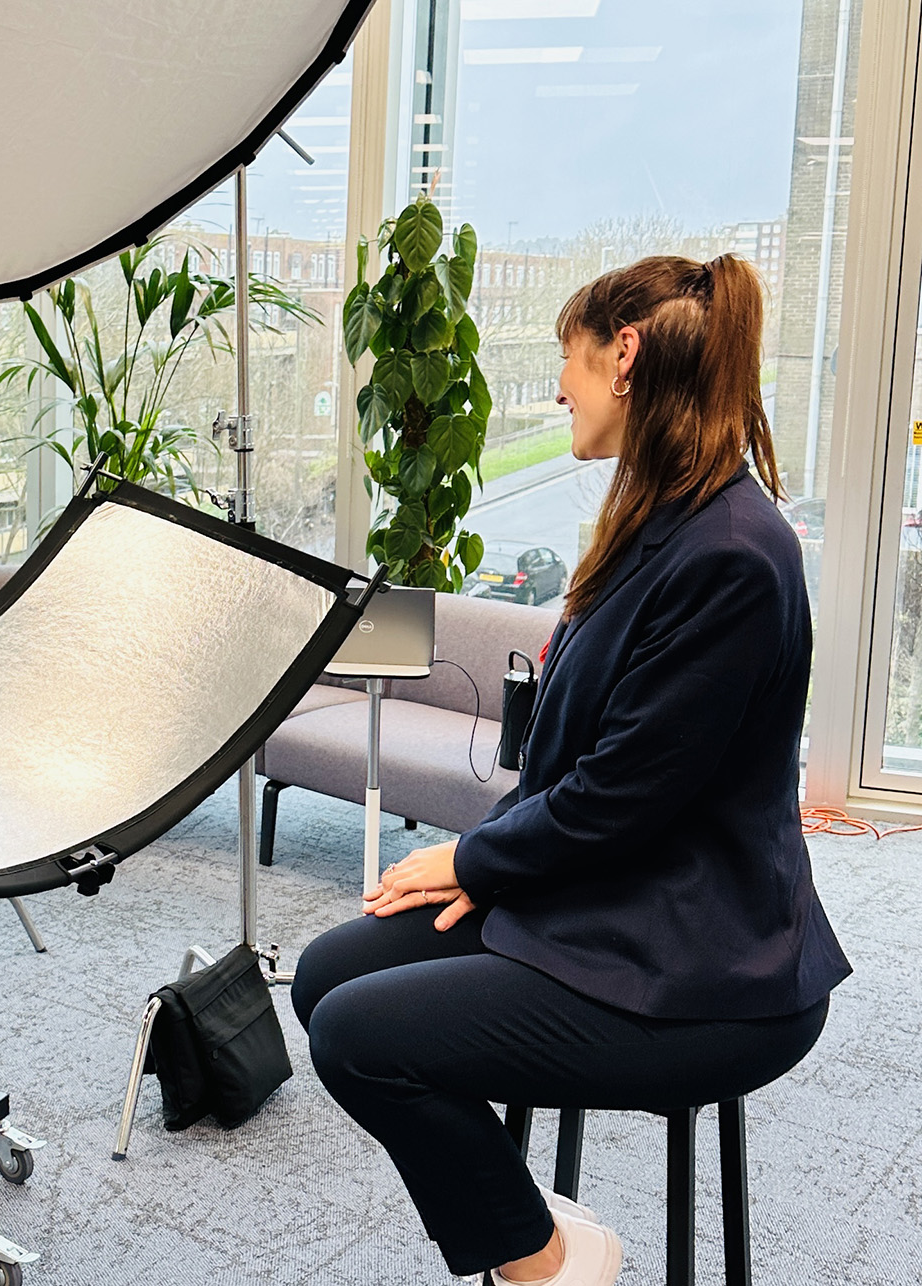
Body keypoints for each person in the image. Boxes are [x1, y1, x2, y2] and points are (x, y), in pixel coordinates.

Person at [290, 253, 851, 1285]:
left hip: (702, 959)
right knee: (326, 974)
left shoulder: (730, 551)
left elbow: (619, 798)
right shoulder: (661, 514)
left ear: (624, 354)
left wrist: (475, 863)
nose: (559, 387)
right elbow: (587, 766)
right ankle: (522, 1220)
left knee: (362, 1039)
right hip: (614, 891)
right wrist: (488, 863)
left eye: (570, 359)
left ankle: (548, 1261)